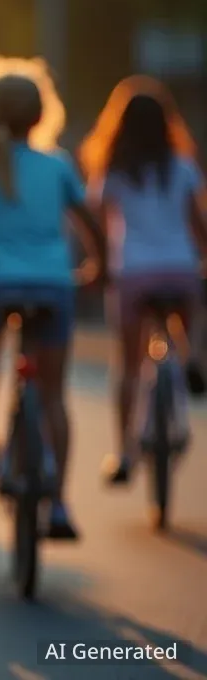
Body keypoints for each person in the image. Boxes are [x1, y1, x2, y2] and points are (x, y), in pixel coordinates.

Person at [0, 57, 106, 540]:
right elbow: (89, 224)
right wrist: (99, 267)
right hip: (54, 285)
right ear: (40, 116)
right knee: (54, 395)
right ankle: (59, 505)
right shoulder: (58, 165)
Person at [80, 76, 205, 485]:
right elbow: (197, 226)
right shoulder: (184, 167)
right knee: (189, 323)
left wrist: (98, 264)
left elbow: (97, 223)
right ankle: (190, 361)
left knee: (128, 365)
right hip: (179, 269)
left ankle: (124, 451)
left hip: (132, 272)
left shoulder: (113, 169)